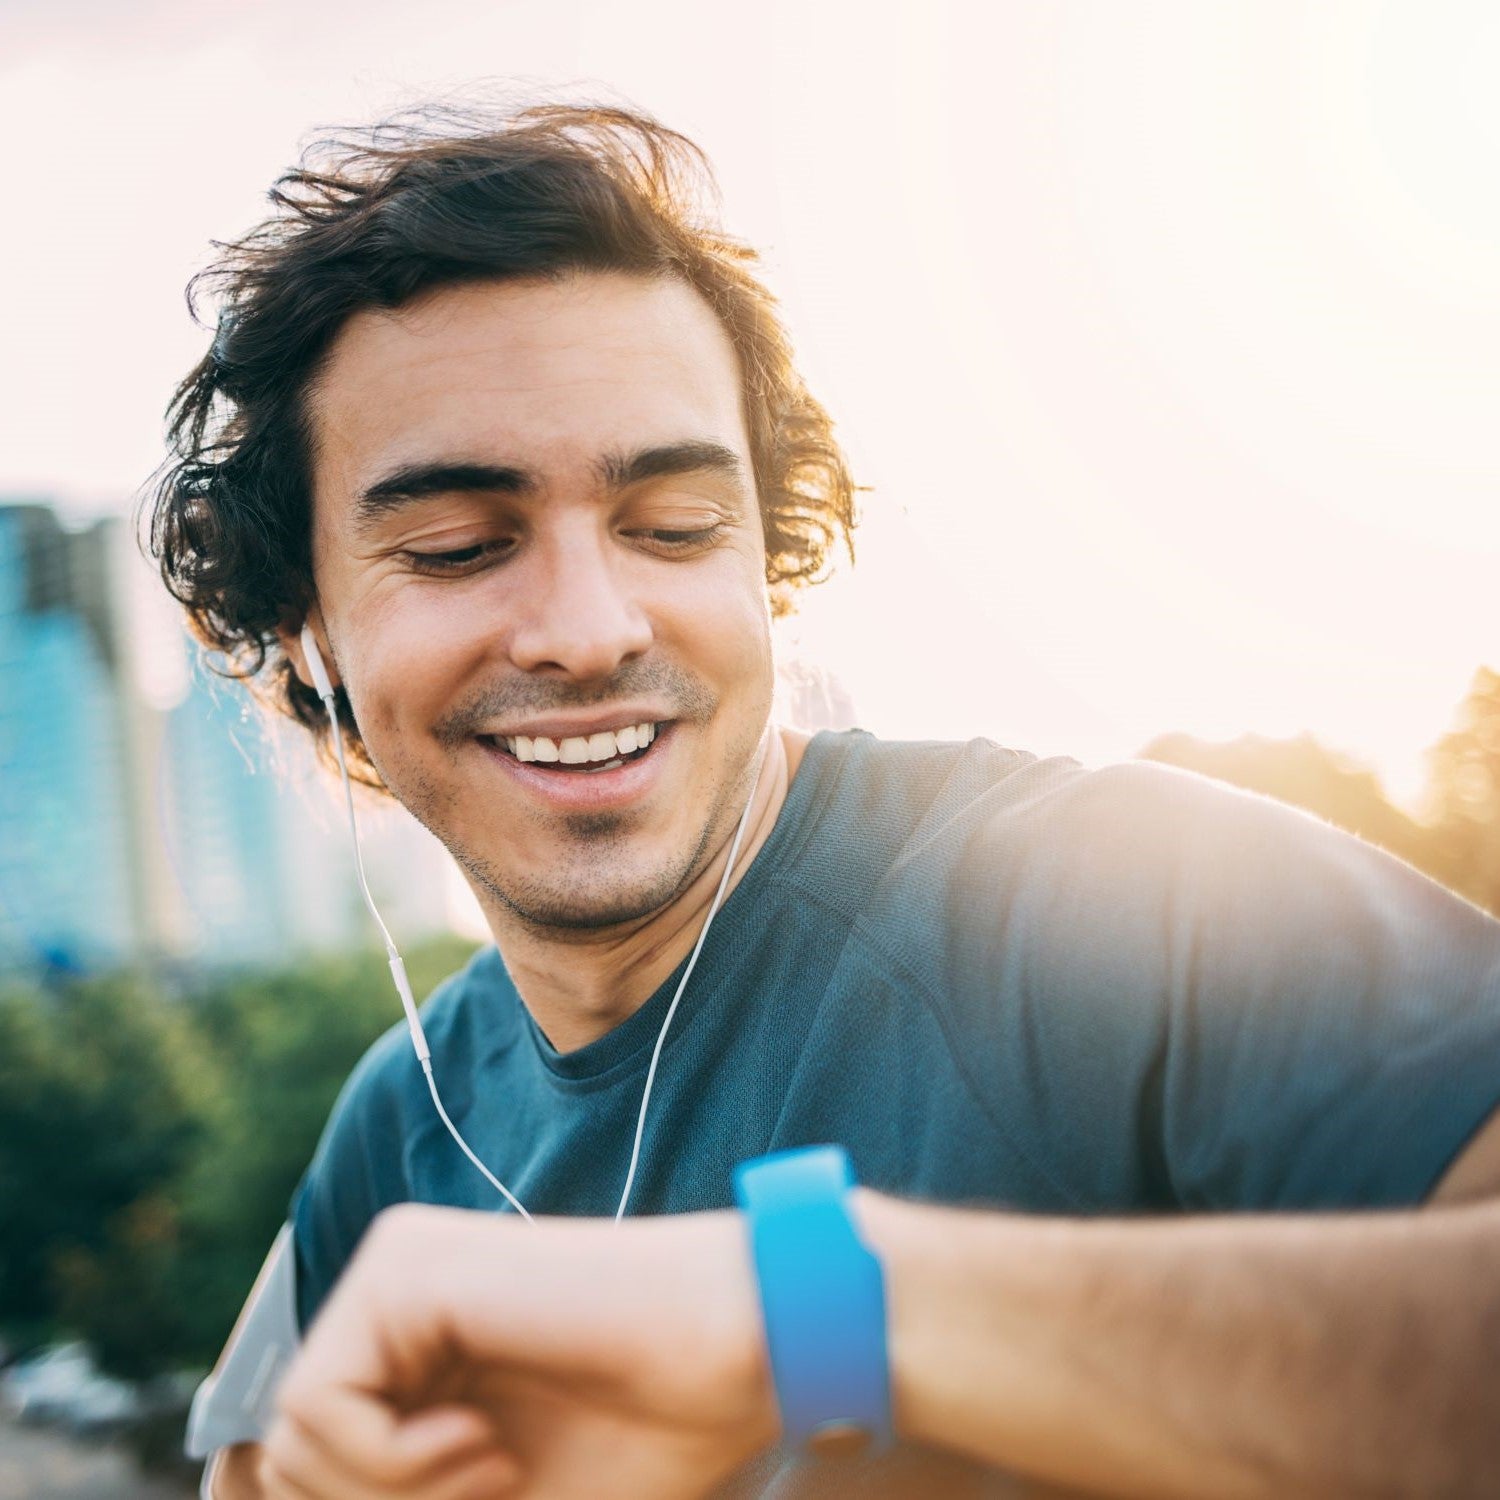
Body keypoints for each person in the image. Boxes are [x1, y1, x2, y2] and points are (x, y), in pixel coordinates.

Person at [150, 100, 1500, 1498]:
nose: (591, 624)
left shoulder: (1125, 898)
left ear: (767, 564)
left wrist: (804, 1310)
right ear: (305, 626)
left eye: (674, 528)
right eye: (456, 545)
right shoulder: (398, 1126)